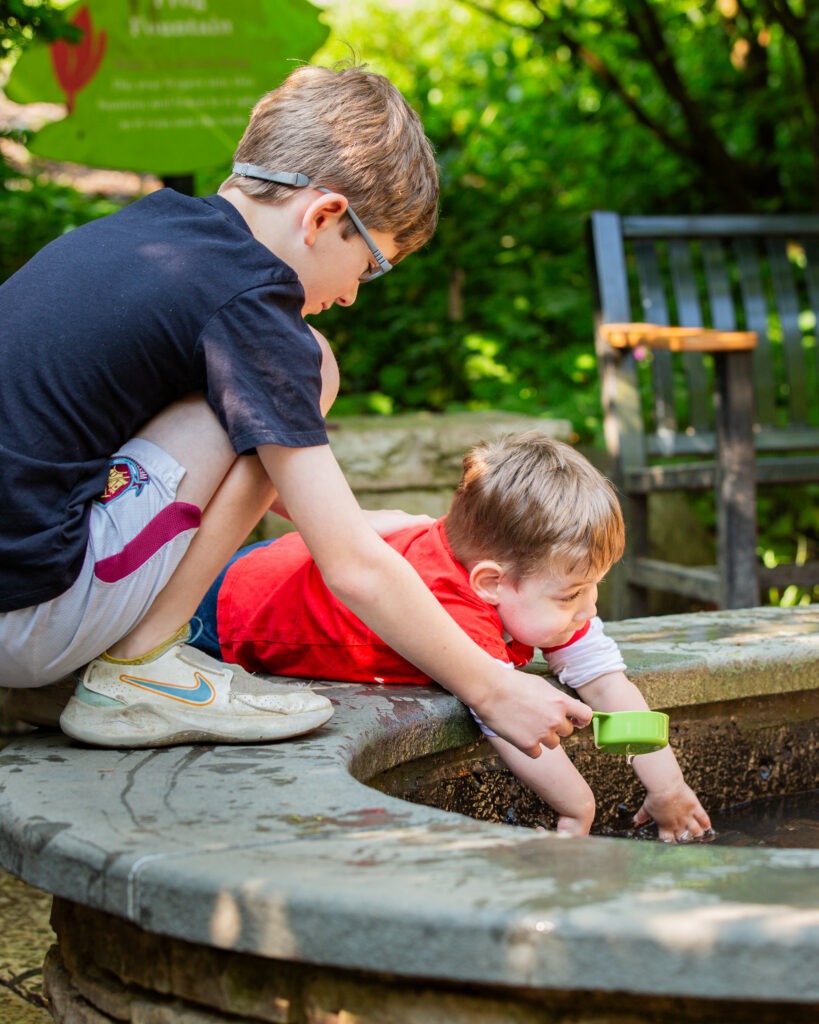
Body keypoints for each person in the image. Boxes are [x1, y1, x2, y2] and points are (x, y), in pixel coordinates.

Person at [0, 63, 592, 753]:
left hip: (20, 597)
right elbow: (353, 570)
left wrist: (359, 519)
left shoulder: (155, 235)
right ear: (323, 215)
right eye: (371, 266)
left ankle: (72, 676)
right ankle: (139, 667)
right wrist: (494, 687)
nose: (351, 296)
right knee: (313, 361)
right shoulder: (249, 302)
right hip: (31, 611)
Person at [192, 433, 712, 842]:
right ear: (490, 583)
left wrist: (668, 786)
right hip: (226, 607)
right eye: (571, 595)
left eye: (596, 587)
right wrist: (578, 807)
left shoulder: (523, 578)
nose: (590, 608)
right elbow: (510, 722)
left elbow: (606, 680)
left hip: (276, 567)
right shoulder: (454, 607)